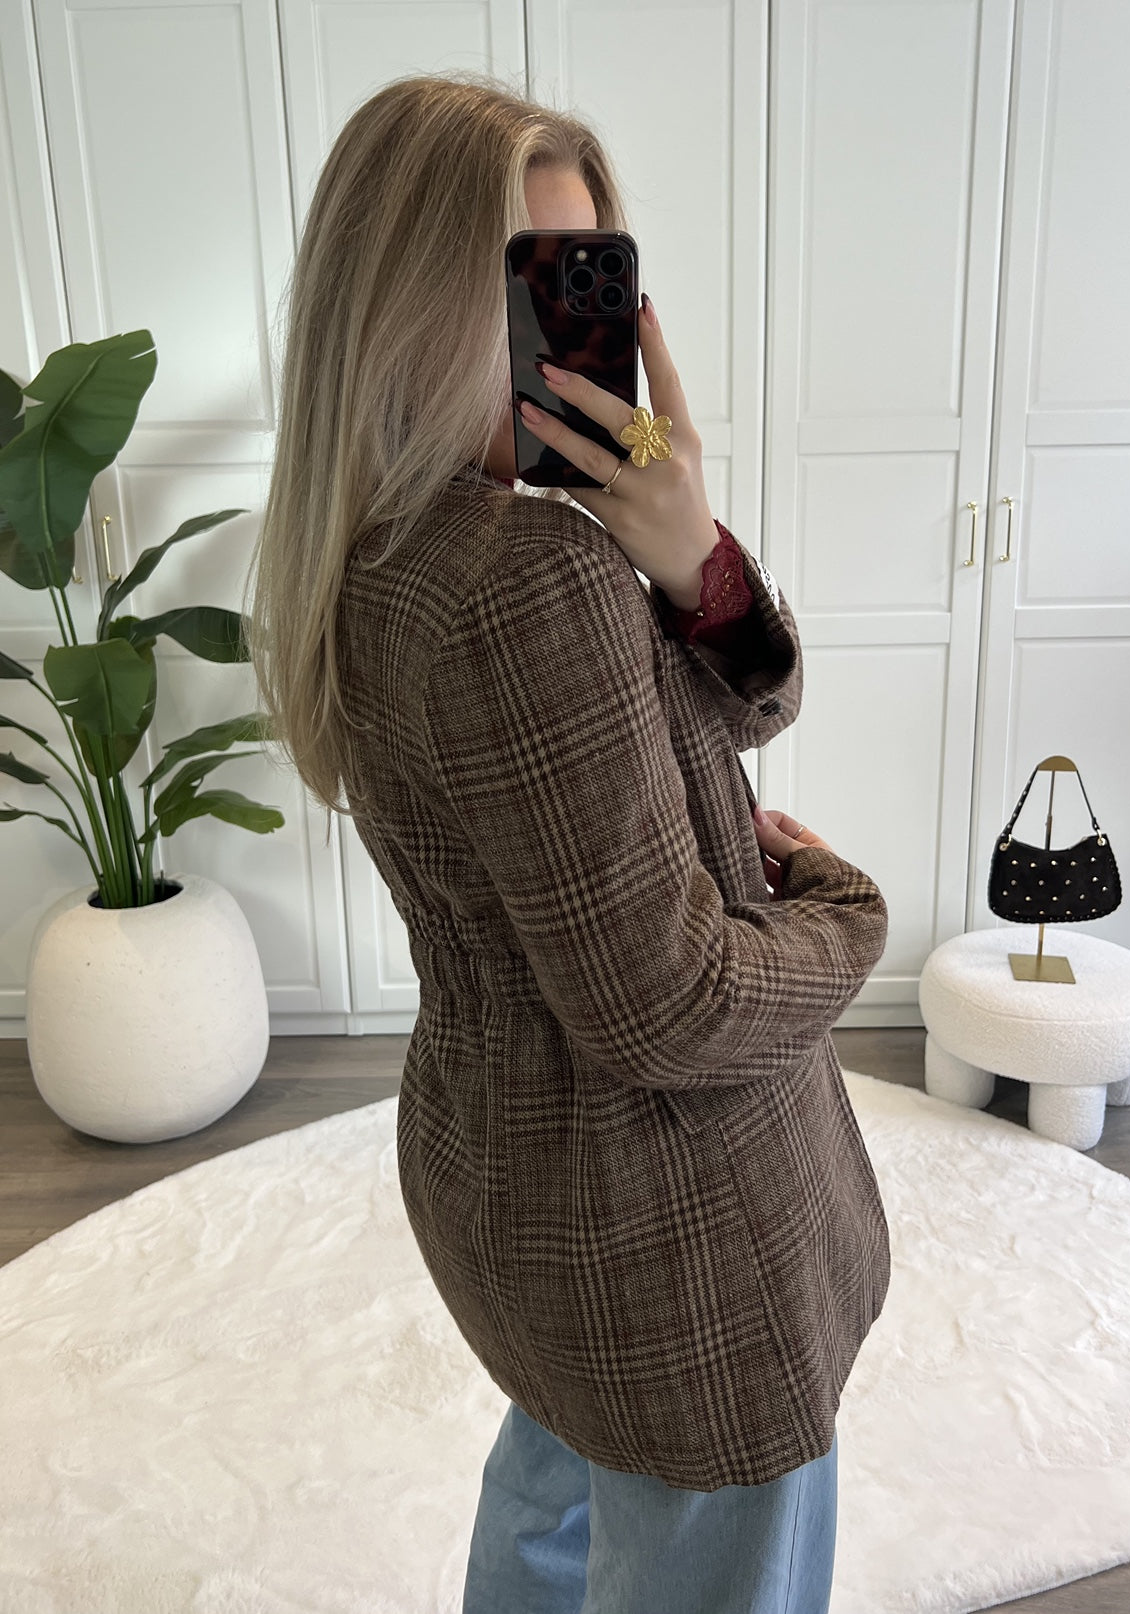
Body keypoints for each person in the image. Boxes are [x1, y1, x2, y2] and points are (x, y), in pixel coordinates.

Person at [245, 70, 891, 1614]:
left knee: (553, 1492)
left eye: (586, 274)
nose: (569, 324)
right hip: (672, 1229)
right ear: (402, 305)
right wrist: (848, 912)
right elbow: (669, 1004)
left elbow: (745, 711)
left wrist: (688, 549)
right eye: (527, 279)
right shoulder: (529, 574)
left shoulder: (374, 548)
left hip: (513, 1175)